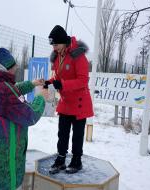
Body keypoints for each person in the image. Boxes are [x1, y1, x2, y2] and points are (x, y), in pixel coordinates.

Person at [0, 48, 47, 190]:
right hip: (0, 169)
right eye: (14, 67)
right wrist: (41, 97)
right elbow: (30, 115)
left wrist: (32, 84)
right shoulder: (2, 90)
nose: (16, 69)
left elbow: (11, 90)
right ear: (5, 69)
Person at [44, 25, 94, 174]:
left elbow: (83, 81)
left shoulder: (78, 56)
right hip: (66, 101)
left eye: (56, 44)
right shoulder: (58, 55)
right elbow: (58, 77)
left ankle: (76, 160)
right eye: (52, 45)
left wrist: (62, 84)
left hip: (79, 103)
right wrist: (50, 82)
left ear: (64, 42)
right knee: (62, 133)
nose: (54, 47)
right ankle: (60, 159)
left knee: (77, 135)